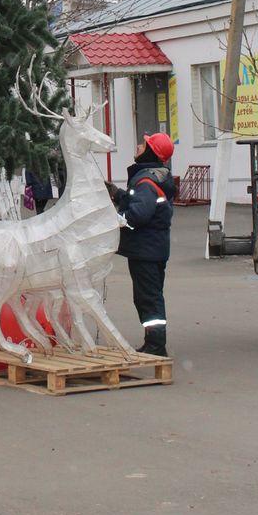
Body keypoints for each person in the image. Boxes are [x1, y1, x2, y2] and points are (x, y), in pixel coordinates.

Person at [108, 132, 174, 357]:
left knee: (148, 298)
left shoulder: (146, 181)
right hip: (152, 249)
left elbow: (138, 214)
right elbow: (141, 204)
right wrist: (118, 195)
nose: (138, 146)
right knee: (148, 296)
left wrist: (113, 220)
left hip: (146, 250)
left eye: (143, 144)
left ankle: (156, 346)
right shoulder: (153, 178)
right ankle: (153, 343)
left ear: (150, 151)